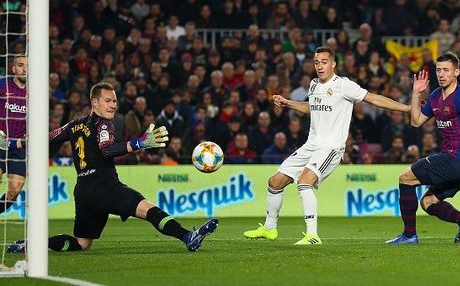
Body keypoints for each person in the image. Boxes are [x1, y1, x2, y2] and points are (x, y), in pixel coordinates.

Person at [7, 82, 218, 253]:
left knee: (82, 243)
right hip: (104, 185)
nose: (113, 105)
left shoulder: (74, 125)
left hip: (83, 191)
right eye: (108, 100)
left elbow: (47, 137)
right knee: (148, 209)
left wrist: (14, 143)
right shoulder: (104, 124)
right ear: (94, 102)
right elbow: (106, 149)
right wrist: (139, 143)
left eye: (115, 101)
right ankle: (187, 237)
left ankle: (34, 244)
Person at [243, 47, 410, 245]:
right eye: (316, 62)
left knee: (304, 182)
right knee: (275, 182)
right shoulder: (313, 85)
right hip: (310, 146)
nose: (320, 66)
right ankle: (270, 229)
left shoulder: (344, 85)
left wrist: (406, 107)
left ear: (333, 64)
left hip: (331, 147)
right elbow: (310, 107)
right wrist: (288, 103)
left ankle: (312, 235)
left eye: (324, 62)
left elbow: (374, 98)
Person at [386, 53, 460, 245]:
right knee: (428, 202)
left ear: (456, 72)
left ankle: (409, 235)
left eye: (446, 70)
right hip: (454, 162)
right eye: (438, 70)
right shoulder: (435, 96)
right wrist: (416, 93)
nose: (441, 74)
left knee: (405, 178)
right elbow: (416, 122)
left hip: (458, 160)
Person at [0, 56, 27, 215]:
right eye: (21, 65)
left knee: (14, 190)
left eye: (28, 66)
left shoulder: (36, 91)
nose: (25, 69)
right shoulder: (3, 85)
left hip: (19, 146)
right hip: (0, 141)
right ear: (14, 69)